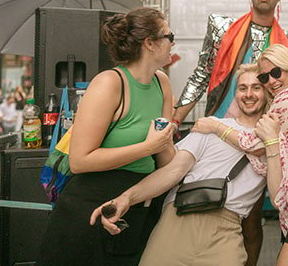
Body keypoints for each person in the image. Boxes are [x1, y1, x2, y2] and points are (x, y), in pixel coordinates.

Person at [88, 65, 269, 266]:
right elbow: (173, 171)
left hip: (227, 228)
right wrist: (126, 198)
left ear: (267, 91)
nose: (249, 94)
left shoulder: (274, 140)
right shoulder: (208, 127)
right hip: (180, 218)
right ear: (235, 93)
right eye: (242, 88)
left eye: (256, 87)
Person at [38, 6, 177, 266]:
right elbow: (80, 160)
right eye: (169, 36)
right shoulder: (109, 83)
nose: (173, 43)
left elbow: (164, 156)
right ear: (150, 43)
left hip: (138, 204)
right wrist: (148, 147)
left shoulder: (162, 83)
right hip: (90, 205)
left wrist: (172, 151)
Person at [174, 0, 288, 123]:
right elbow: (201, 76)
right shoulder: (221, 28)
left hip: (264, 130)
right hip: (218, 123)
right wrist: (175, 122)